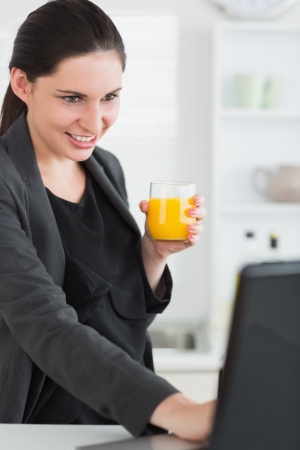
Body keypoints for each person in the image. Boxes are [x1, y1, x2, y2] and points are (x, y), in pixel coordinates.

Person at [0, 0, 215, 442]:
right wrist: (177, 407)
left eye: (110, 97)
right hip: (47, 433)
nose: (95, 122)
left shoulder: (106, 168)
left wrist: (153, 254)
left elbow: (120, 318)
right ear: (22, 83)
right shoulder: (6, 182)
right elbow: (44, 322)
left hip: (127, 425)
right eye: (72, 98)